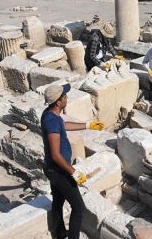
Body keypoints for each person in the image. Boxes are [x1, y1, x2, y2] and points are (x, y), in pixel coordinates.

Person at [41, 84, 105, 239]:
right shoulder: (51, 122)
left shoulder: (50, 114)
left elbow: (63, 126)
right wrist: (73, 172)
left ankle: (60, 233)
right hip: (59, 171)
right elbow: (56, 154)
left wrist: (88, 125)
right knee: (79, 208)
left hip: (53, 169)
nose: (66, 98)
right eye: (64, 96)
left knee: (58, 201)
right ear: (58, 102)